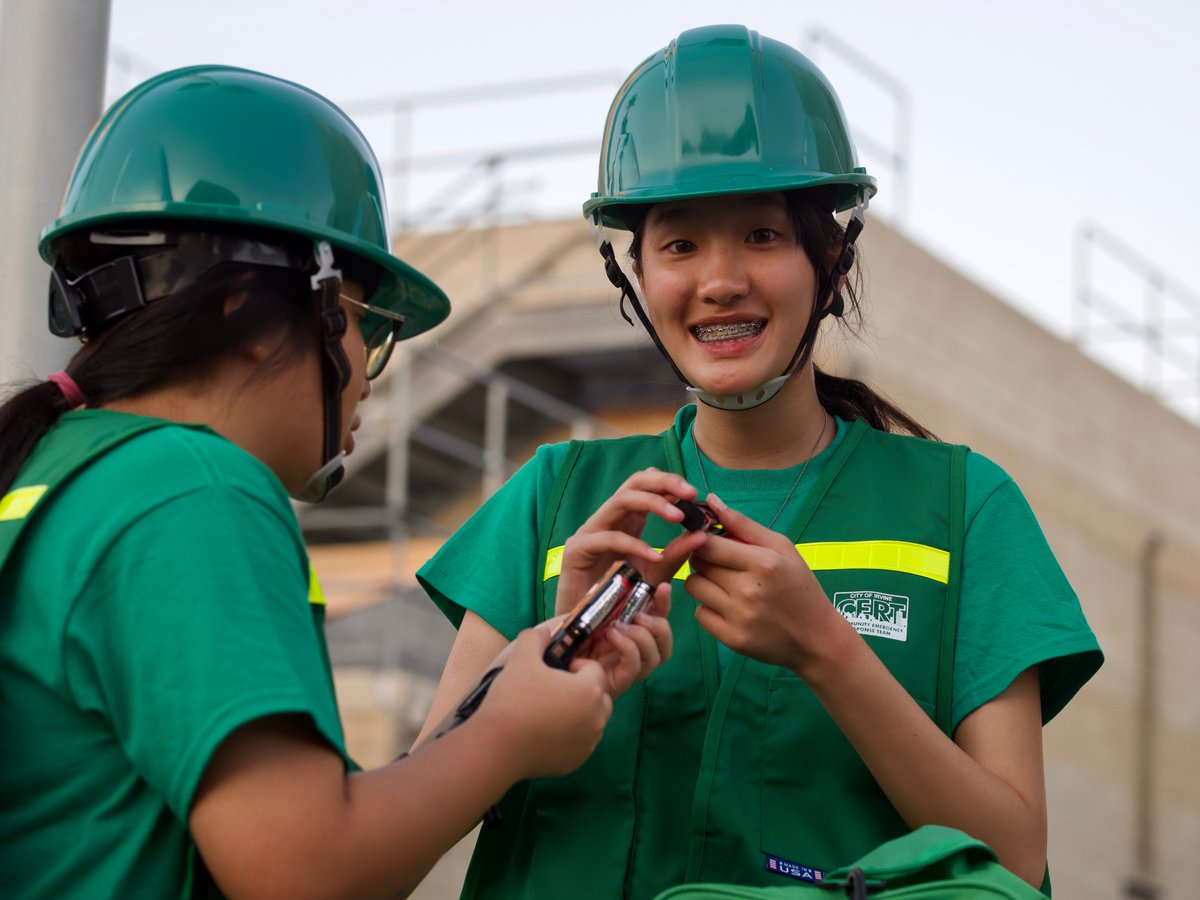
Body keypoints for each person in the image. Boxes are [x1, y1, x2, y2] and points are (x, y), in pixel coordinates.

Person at [416, 24, 1103, 900]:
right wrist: (552, 656)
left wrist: (828, 651)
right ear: (630, 274)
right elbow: (396, 839)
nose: (720, 280)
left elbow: (1012, 862)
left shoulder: (964, 508)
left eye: (763, 235)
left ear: (832, 258)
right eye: (678, 244)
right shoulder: (554, 499)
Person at [0, 65, 678, 899]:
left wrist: (498, 704)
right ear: (241, 308)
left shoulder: (57, 471)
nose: (366, 372)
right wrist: (509, 737)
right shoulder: (193, 490)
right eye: (362, 322)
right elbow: (307, 871)